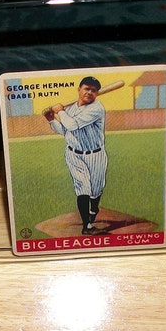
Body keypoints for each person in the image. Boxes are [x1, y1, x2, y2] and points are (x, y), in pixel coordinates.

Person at [43, 76, 107, 236]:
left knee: (96, 190)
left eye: (93, 90)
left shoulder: (96, 108)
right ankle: (87, 227)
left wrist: (59, 111)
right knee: (82, 189)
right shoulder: (70, 110)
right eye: (87, 88)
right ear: (79, 90)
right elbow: (65, 131)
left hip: (95, 155)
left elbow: (72, 125)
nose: (89, 92)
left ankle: (94, 210)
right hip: (74, 155)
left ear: (97, 93)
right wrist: (51, 120)